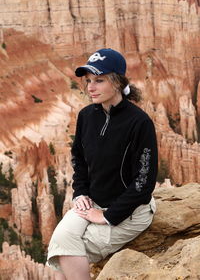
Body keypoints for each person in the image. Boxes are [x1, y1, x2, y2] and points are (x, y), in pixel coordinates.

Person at [47, 48, 158, 280]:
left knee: (66, 255)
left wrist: (108, 216)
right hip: (92, 202)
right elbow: (79, 159)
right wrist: (80, 194)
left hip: (130, 211)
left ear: (117, 82)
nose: (90, 87)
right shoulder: (86, 116)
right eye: (88, 81)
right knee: (60, 245)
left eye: (99, 80)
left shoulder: (139, 123)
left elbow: (143, 182)